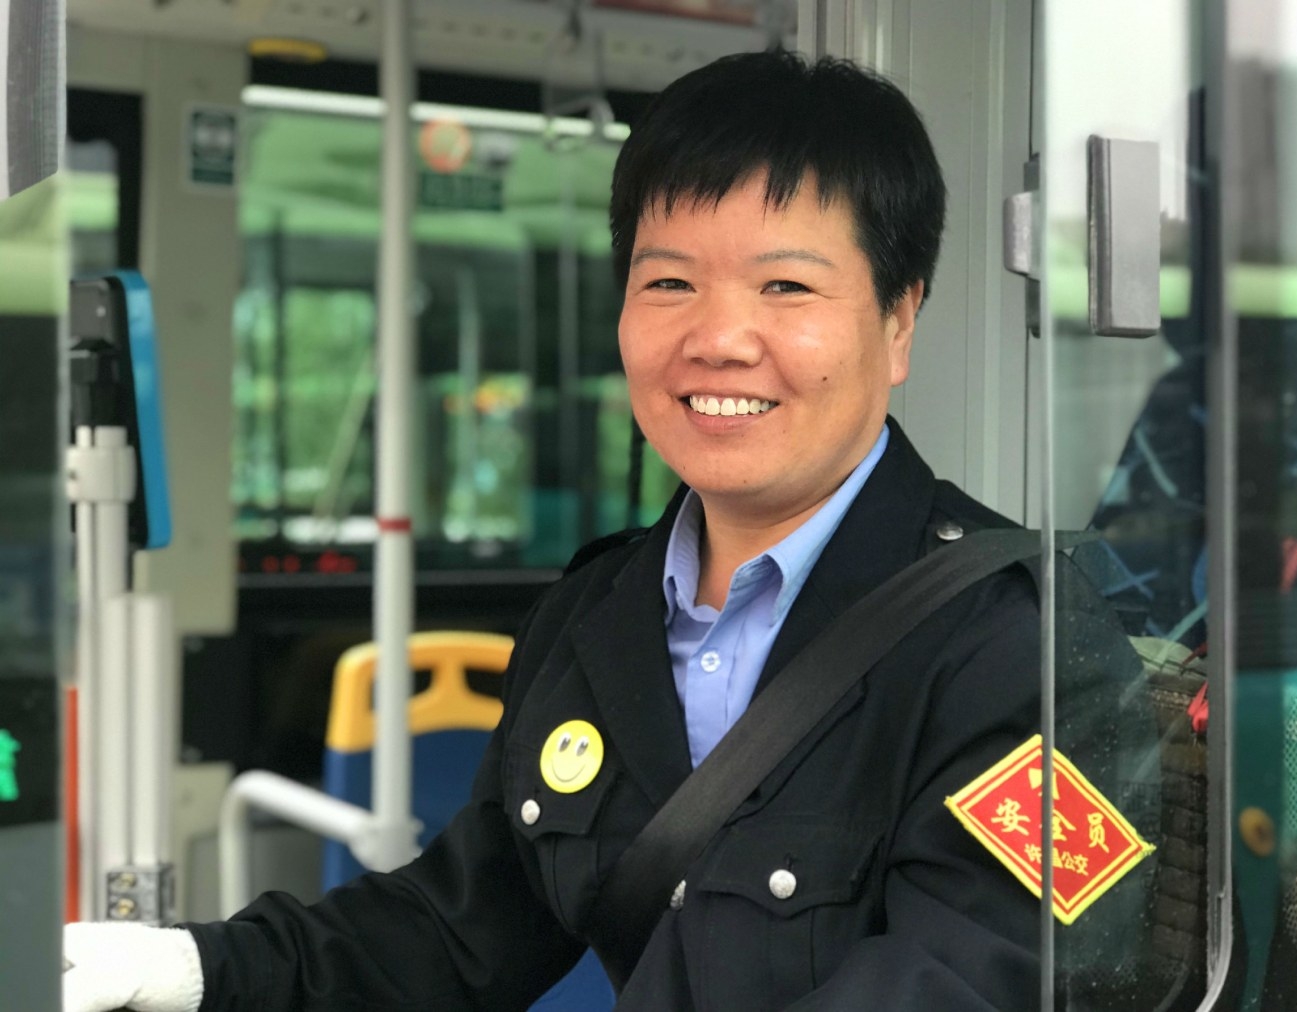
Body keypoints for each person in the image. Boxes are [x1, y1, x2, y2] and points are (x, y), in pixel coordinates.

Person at [64, 49, 1156, 1012]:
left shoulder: (1017, 644)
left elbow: (971, 982)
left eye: (786, 285)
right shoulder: (598, 619)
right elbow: (455, 934)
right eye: (669, 280)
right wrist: (192, 969)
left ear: (899, 318)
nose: (719, 337)